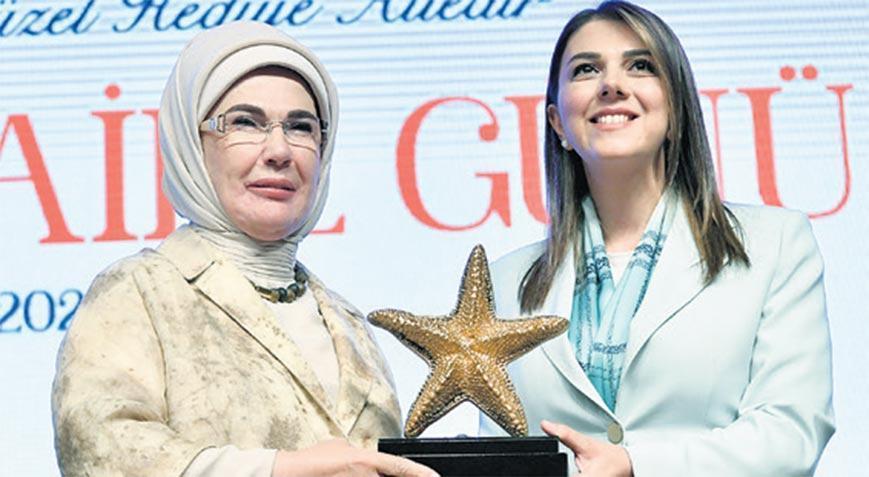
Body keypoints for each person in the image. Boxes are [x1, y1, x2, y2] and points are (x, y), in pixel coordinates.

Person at [51, 21, 437, 477]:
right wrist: (282, 469)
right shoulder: (138, 292)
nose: (279, 150)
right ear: (191, 145)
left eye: (301, 127)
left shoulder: (350, 325)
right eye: (245, 123)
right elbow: (101, 451)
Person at [479, 1, 835, 476]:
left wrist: (637, 463)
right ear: (558, 123)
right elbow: (502, 456)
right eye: (586, 69)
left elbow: (791, 433)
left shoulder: (776, 245)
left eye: (641, 66)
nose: (611, 85)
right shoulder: (505, 282)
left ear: (676, 107)